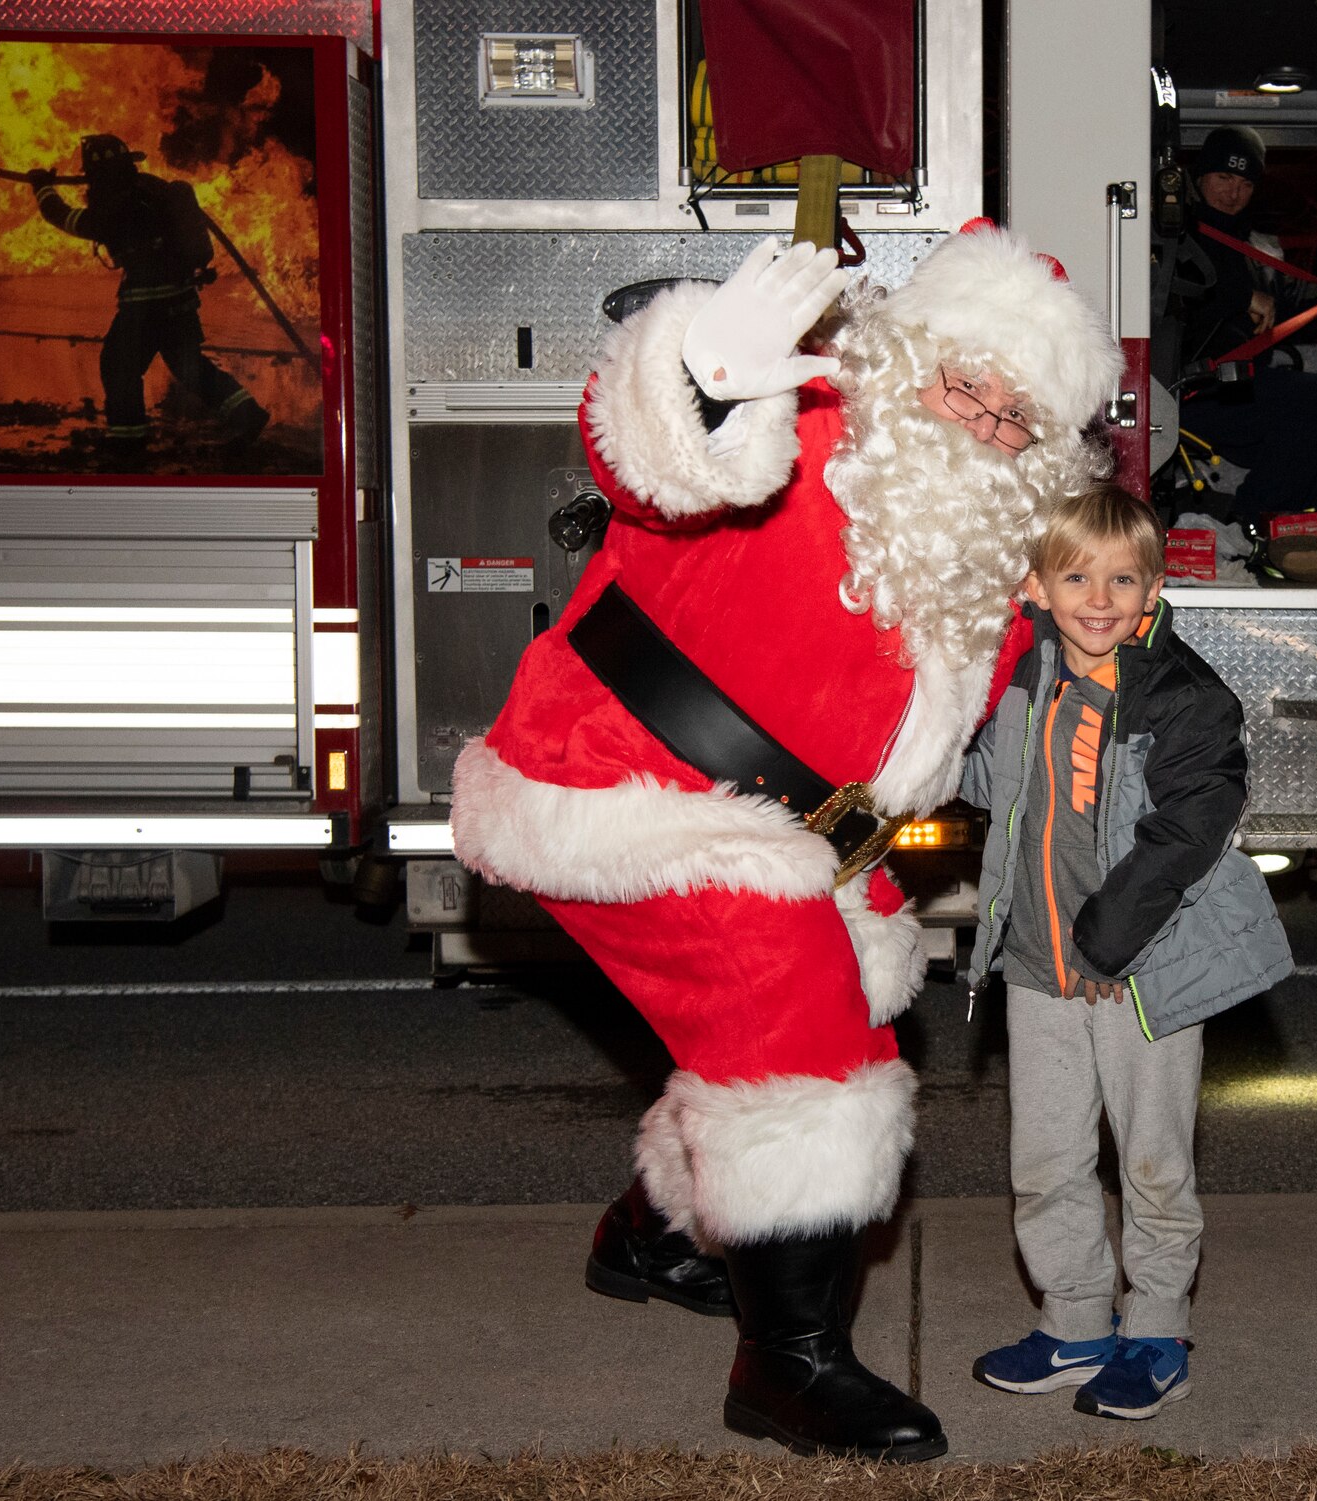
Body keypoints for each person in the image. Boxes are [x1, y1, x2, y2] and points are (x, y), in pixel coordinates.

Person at [448, 224, 1121, 1460]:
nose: (977, 419)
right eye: (961, 379)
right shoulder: (801, 430)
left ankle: (650, 1237)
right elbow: (654, 463)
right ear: (908, 353)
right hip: (624, 785)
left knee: (852, 1017)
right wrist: (702, 369)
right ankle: (788, 1366)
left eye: (1014, 413)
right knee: (801, 1050)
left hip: (797, 833)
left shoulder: (976, 557)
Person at [959, 486, 1292, 1420]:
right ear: (1036, 584)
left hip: (1136, 971)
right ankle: (1073, 1321)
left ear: (1151, 590)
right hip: (1038, 965)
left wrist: (1108, 945)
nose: (1098, 598)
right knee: (1049, 1157)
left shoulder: (1182, 697)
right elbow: (992, 781)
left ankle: (1155, 1328)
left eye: (1122, 579)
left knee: (1151, 1160)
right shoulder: (1024, 678)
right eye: (1076, 576)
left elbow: (1191, 825)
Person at [1164, 125, 1317, 521]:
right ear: (1200, 176)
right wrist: (1242, 297)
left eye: (1245, 182)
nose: (1233, 193)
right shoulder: (1174, 234)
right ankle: (1248, 523)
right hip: (1191, 391)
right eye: (1223, 177)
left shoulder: (1261, 248)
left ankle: (1296, 551)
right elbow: (1168, 290)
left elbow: (1300, 295)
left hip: (1242, 392)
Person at [27, 134, 267, 460]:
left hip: (145, 308)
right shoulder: (154, 189)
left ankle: (128, 441)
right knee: (189, 367)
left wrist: (42, 188)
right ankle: (247, 414)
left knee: (118, 365)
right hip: (180, 301)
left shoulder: (114, 207)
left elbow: (68, 219)